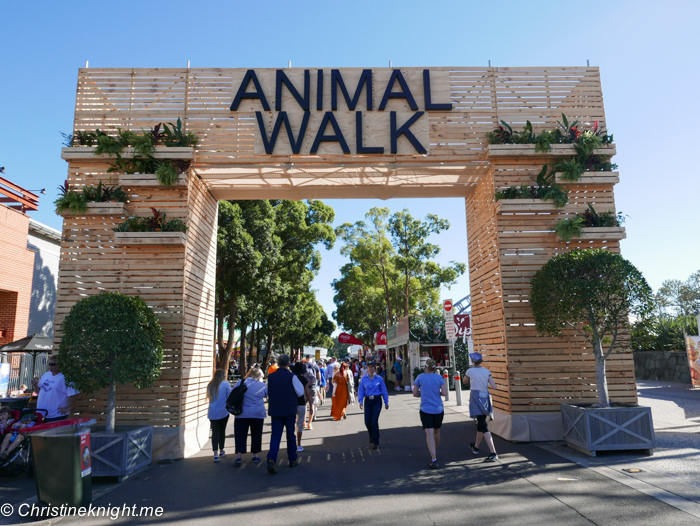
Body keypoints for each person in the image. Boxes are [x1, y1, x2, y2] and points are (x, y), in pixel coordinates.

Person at [266, 355, 304, 474]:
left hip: (275, 410)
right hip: (289, 409)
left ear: (278, 363)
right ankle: (292, 459)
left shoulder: (271, 377)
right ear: (288, 364)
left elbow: (267, 393)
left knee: (275, 435)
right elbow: (300, 392)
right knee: (290, 435)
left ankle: (271, 458)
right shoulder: (292, 376)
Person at [413, 359, 448, 469]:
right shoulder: (439, 378)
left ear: (425, 367)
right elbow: (445, 393)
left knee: (429, 433)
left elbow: (415, 393)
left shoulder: (420, 377)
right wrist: (436, 393)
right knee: (436, 431)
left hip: (425, 409)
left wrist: (422, 394)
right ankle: (434, 452)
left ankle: (433, 458)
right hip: (438, 409)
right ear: (434, 368)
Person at [463, 352, 499, 462]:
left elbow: (464, 382)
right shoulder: (486, 371)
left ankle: (493, 453)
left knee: (483, 425)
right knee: (481, 422)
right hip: (485, 397)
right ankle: (476, 447)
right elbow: (494, 386)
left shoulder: (470, 371)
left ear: (472, 361)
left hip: (476, 397)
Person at [233, 366, 268, 466]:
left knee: (240, 435)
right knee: (256, 434)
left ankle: (239, 456)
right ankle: (255, 455)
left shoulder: (241, 382)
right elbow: (266, 395)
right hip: (257, 414)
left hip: (241, 413)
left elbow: (233, 393)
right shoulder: (261, 385)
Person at [32, 356, 79, 422]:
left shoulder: (66, 377)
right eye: (49, 364)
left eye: (53, 364)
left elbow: (74, 394)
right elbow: (39, 391)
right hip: (42, 413)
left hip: (56, 415)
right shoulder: (46, 374)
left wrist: (68, 408)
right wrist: (35, 386)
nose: (50, 366)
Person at [358, 361, 389, 449]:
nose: (371, 369)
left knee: (374, 421)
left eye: (372, 367)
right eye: (369, 367)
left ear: (375, 368)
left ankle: (376, 441)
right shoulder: (363, 379)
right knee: (367, 422)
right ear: (367, 368)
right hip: (368, 400)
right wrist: (360, 400)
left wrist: (386, 402)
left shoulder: (379, 379)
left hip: (377, 400)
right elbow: (361, 390)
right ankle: (371, 434)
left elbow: (384, 390)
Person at [207, 369, 232, 462]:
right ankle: (221, 450)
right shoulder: (226, 384)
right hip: (223, 412)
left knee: (215, 432)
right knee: (222, 431)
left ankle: (215, 454)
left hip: (212, 412)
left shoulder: (210, 385)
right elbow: (229, 396)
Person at [291, 362, 312, 452]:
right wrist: (311, 405)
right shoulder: (304, 379)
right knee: (299, 425)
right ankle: (298, 444)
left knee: (291, 425)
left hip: (291, 404)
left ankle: (291, 444)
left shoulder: (291, 378)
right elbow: (307, 394)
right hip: (301, 403)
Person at [304, 355, 321, 429]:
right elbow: (319, 377)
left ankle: (303, 422)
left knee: (304, 405)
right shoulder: (316, 366)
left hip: (304, 388)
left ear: (306, 359)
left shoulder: (303, 366)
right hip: (313, 387)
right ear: (312, 359)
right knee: (312, 406)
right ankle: (309, 424)